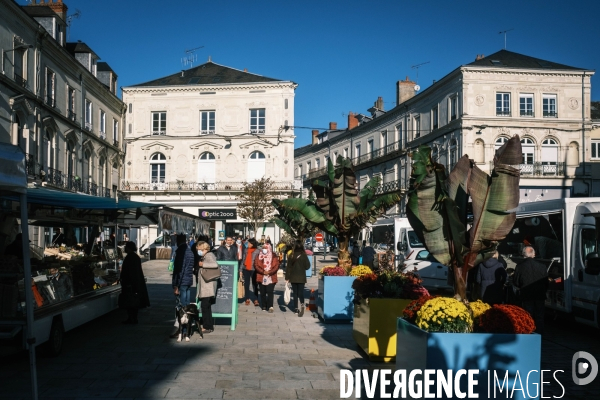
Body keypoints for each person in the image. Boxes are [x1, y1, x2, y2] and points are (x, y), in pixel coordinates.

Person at [513, 246, 549, 334]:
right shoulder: (542, 266)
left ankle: (529, 331)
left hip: (527, 295)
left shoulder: (520, 266)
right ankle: (540, 332)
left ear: (523, 255)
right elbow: (546, 282)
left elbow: (516, 282)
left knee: (528, 315)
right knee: (539, 316)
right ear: (534, 254)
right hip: (540, 294)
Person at [120, 241, 150, 324]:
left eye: (126, 247)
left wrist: (127, 282)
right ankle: (133, 317)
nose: (125, 248)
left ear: (129, 248)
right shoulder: (135, 257)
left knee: (130, 300)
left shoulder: (130, 257)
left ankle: (131, 318)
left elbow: (129, 271)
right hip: (135, 282)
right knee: (134, 301)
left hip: (130, 283)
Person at [196, 241, 218, 333]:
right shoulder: (205, 256)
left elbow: (215, 265)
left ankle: (207, 326)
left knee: (205, 306)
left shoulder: (209, 255)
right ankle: (208, 326)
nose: (198, 251)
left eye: (199, 249)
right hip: (206, 285)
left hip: (208, 285)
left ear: (204, 248)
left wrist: (203, 264)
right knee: (206, 306)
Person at [285, 240, 310, 316]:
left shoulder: (291, 255)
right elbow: (307, 266)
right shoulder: (304, 255)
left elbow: (288, 267)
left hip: (293, 277)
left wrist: (287, 277)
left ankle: (296, 308)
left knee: (295, 293)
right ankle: (302, 304)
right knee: (301, 292)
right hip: (301, 277)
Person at [254, 242, 280, 312]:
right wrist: (263, 272)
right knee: (262, 292)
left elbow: (276, 266)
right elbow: (256, 265)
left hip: (271, 276)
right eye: (263, 248)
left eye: (265, 248)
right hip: (261, 275)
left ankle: (270, 306)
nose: (264, 250)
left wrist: (269, 272)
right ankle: (264, 305)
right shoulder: (259, 255)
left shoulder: (274, 256)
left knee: (270, 291)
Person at [172, 234, 194, 307]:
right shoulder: (189, 251)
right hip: (189, 279)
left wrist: (176, 284)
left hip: (182, 280)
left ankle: (183, 315)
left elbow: (179, 269)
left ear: (178, 240)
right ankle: (187, 316)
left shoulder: (181, 252)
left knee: (182, 303)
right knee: (187, 301)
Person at [240, 238, 260, 306]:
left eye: (249, 243)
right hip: (246, 269)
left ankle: (255, 299)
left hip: (254, 269)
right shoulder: (246, 250)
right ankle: (247, 298)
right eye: (248, 243)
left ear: (253, 244)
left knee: (255, 285)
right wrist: (240, 270)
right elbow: (243, 260)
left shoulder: (257, 251)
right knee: (246, 284)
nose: (248, 244)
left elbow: (259, 261)